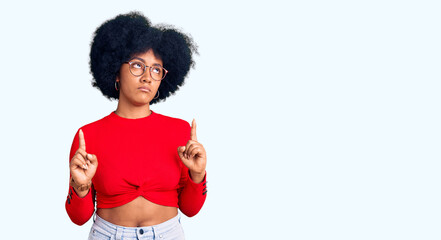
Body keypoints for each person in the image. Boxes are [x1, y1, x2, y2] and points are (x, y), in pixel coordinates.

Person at [65, 12, 207, 240]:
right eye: (137, 65)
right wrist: (80, 187)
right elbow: (78, 217)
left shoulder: (180, 131)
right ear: (116, 72)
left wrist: (197, 174)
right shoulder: (88, 135)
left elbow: (190, 209)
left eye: (156, 69)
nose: (147, 77)